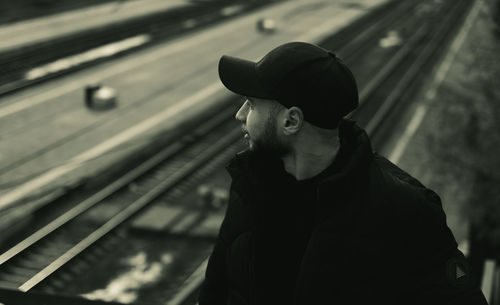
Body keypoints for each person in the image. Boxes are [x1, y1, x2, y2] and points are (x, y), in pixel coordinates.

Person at [198, 42, 488, 305]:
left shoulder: (406, 211)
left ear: (291, 121)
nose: (240, 115)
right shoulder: (250, 187)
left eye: (251, 104)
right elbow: (215, 292)